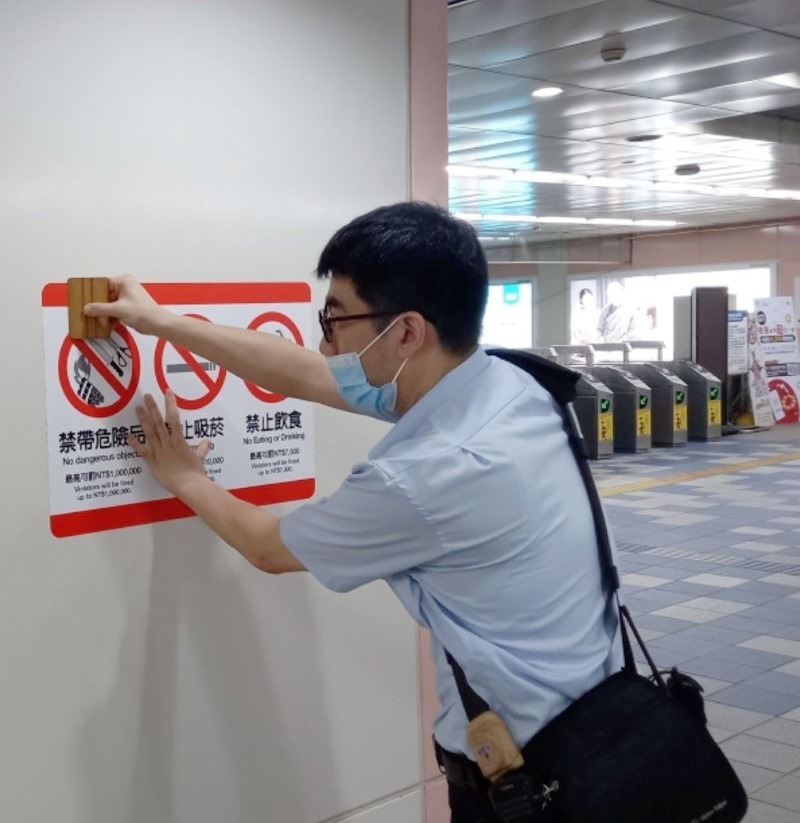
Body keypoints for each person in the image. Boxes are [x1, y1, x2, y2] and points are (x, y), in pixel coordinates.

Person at [85, 202, 621, 823]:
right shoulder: (507, 384)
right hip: (602, 723)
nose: (325, 342)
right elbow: (305, 373)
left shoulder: (428, 474)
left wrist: (184, 477)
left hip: (529, 782)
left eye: (335, 319)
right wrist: (163, 323)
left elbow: (268, 546)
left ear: (407, 333)